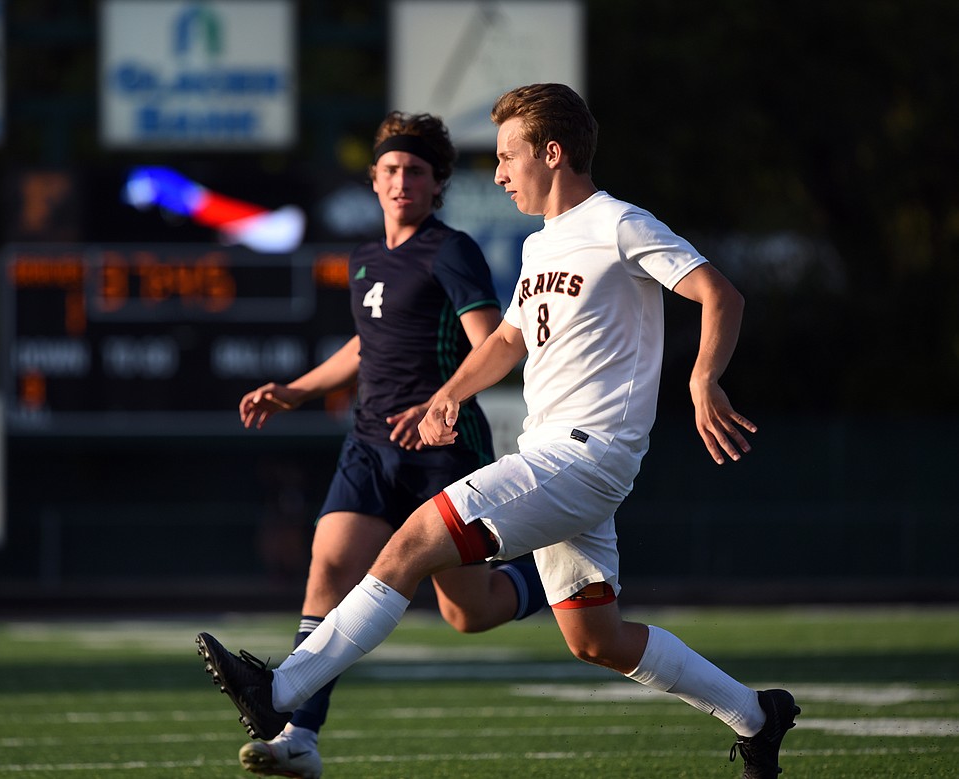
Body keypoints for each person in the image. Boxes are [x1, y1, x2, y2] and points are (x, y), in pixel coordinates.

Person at [197, 83, 800, 779]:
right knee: (596, 639)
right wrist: (447, 395)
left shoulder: (616, 222)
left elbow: (718, 292)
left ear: (553, 152)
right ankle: (757, 714)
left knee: (411, 542)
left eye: (509, 155)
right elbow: (507, 341)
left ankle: (280, 693)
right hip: (555, 456)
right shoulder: (543, 246)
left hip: (584, 454)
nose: (500, 172)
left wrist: (702, 379)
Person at [231, 110, 545, 778]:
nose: (403, 179)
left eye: (417, 171)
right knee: (329, 565)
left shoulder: (451, 250)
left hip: (443, 448)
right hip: (369, 445)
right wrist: (295, 389)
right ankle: (300, 737)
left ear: (437, 186)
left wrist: (447, 401)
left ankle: (554, 572)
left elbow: (494, 340)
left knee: (468, 611)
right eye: (393, 169)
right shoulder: (365, 259)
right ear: (374, 179)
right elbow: (361, 346)